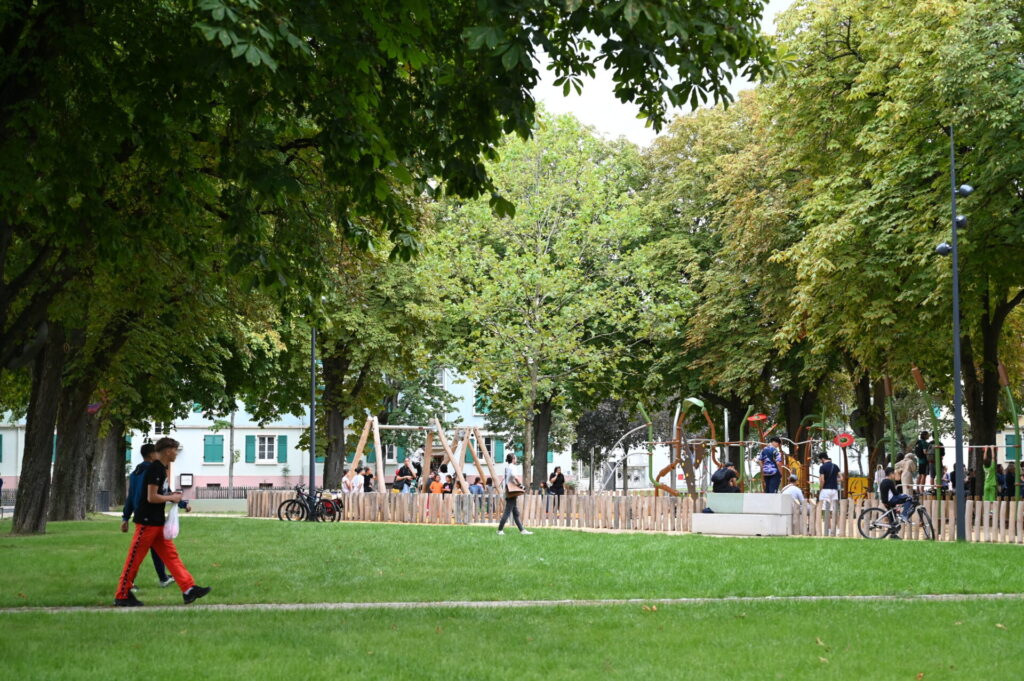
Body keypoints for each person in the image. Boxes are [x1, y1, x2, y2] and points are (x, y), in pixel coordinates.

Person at [114, 437, 211, 606]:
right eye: (175, 450)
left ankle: (189, 589)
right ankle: (122, 595)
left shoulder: (161, 468)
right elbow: (151, 497)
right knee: (134, 559)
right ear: (167, 450)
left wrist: (175, 499)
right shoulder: (154, 469)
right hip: (146, 522)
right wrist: (171, 497)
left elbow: (162, 493)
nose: (176, 453)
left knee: (171, 556)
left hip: (157, 523)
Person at [121, 443, 182, 589]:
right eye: (156, 453)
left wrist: (125, 517)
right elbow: (163, 492)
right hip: (149, 517)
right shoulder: (154, 470)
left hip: (142, 515)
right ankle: (128, 585)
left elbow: (130, 497)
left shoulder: (135, 473)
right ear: (151, 455)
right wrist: (182, 503)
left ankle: (165, 578)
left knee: (154, 549)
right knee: (136, 555)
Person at [497, 453, 532, 535]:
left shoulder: (507, 467)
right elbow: (514, 476)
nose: (516, 459)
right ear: (513, 459)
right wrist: (521, 485)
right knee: (507, 512)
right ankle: (499, 530)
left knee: (516, 513)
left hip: (508, 491)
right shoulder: (513, 467)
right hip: (511, 492)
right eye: (515, 458)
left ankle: (522, 530)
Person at [879, 466, 913, 538]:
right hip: (891, 500)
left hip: (885, 501)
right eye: (894, 474)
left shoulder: (882, 481)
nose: (894, 475)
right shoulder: (889, 482)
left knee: (892, 518)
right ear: (891, 474)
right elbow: (895, 493)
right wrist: (903, 495)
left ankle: (893, 534)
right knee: (909, 498)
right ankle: (904, 515)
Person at [817, 453, 841, 536]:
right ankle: (838, 529)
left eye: (820, 460)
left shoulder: (822, 467)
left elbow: (822, 480)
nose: (820, 462)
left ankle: (830, 530)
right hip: (834, 490)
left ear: (822, 459)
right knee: (835, 510)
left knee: (826, 511)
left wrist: (820, 489)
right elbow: (841, 478)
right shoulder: (835, 466)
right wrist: (834, 480)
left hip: (826, 490)